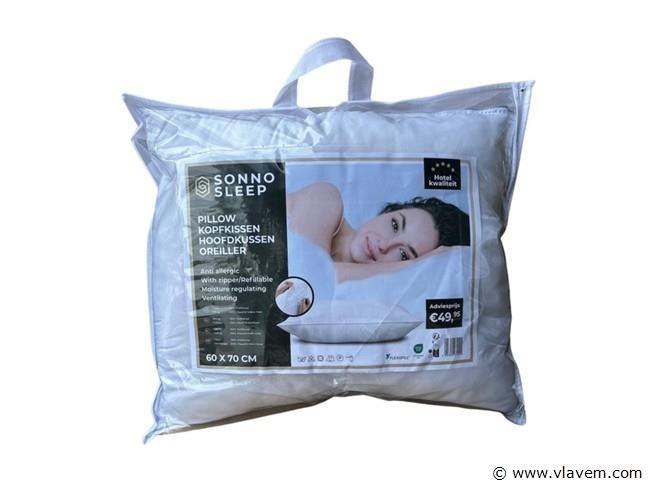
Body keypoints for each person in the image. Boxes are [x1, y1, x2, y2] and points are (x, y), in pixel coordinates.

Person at [287, 182, 470, 282]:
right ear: (388, 211)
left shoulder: (364, 295)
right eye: (395, 225)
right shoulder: (326, 198)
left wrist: (417, 266)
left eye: (404, 254)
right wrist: (412, 263)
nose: (384, 245)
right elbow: (306, 278)